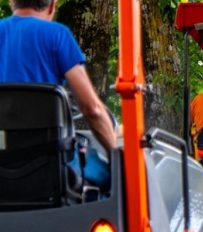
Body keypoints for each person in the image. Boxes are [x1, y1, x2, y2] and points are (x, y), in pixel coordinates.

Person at [0, 0, 117, 153]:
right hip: (50, 163)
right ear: (52, 6)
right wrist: (116, 155)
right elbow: (93, 109)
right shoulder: (57, 35)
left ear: (12, 3)